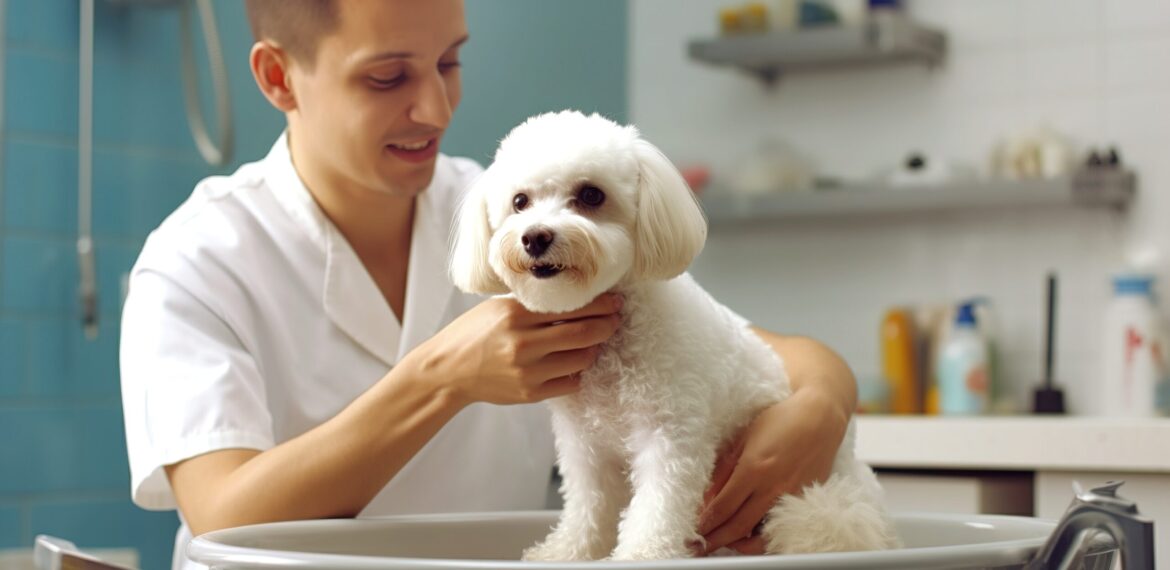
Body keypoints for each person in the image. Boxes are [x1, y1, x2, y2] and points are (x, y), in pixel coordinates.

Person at [119, 1, 859, 567]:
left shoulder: (505, 207)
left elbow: (754, 348)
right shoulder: (198, 260)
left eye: (449, 63)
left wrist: (824, 403)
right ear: (280, 78)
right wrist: (442, 380)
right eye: (388, 77)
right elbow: (221, 513)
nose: (436, 109)